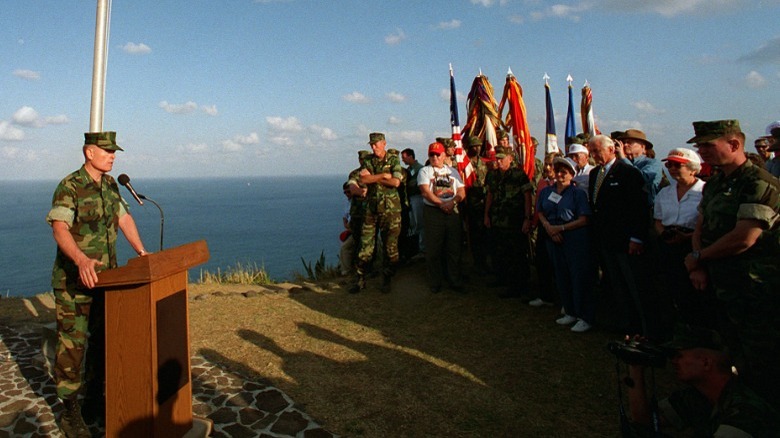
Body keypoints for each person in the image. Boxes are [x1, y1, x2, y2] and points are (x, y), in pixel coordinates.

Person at [46, 131, 148, 437]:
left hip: (108, 282)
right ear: (89, 153)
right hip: (74, 283)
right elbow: (60, 228)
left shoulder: (110, 185)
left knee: (104, 344)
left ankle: (93, 402)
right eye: (107, 151)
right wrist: (81, 260)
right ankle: (70, 412)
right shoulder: (70, 186)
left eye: (114, 152)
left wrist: (142, 252)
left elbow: (123, 218)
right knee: (72, 348)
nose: (113, 156)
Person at [683, 120, 780, 408]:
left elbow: (744, 237)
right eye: (699, 146)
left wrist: (699, 257)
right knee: (729, 353)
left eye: (708, 145)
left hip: (755, 290)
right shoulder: (716, 183)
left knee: (762, 360)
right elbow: (701, 225)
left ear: (734, 144)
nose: (702, 152)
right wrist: (698, 264)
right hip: (721, 284)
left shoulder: (760, 183)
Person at [625, 325, 778, 436]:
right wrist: (635, 368)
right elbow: (643, 420)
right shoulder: (698, 396)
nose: (673, 361)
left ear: (706, 362)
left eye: (679, 356)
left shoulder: (745, 410)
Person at [587, 135, 657, 337]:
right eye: (591, 151)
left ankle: (645, 330)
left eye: (597, 151)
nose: (594, 155)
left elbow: (638, 207)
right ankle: (626, 324)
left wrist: (636, 237)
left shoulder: (627, 172)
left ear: (611, 149)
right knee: (616, 284)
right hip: (605, 239)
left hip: (626, 240)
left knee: (635, 285)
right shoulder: (595, 173)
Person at [653, 148, 715, 330]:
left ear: (693, 169)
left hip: (693, 246)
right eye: (669, 164)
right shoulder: (665, 192)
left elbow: (707, 225)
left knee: (694, 292)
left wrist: (687, 237)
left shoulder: (705, 191)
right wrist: (663, 233)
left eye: (676, 165)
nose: (671, 168)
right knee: (669, 288)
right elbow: (658, 220)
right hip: (667, 244)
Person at [536, 157, 595, 332]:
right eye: (558, 171)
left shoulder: (578, 194)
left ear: (572, 174)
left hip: (573, 239)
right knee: (561, 276)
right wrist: (549, 228)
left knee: (578, 277)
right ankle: (569, 311)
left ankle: (584, 316)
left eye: (565, 172)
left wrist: (560, 228)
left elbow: (584, 219)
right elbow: (540, 212)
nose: (560, 175)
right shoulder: (547, 192)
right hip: (552, 238)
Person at [351, 133, 403, 294]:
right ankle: (360, 280)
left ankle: (386, 278)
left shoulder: (393, 160)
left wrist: (373, 178)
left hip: (391, 211)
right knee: (365, 247)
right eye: (371, 145)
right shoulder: (367, 160)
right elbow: (363, 180)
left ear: (384, 143)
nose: (373, 147)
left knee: (390, 249)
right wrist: (381, 176)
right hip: (371, 210)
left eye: (376, 144)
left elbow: (395, 182)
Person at [484, 146, 534, 299]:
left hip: (514, 221)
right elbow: (490, 195)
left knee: (517, 255)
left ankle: (519, 286)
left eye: (501, 158)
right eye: (497, 158)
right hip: (498, 220)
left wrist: (527, 218)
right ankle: (502, 279)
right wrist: (486, 215)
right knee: (499, 252)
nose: (498, 161)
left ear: (510, 159)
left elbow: (527, 196)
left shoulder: (519, 174)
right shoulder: (492, 175)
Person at [418, 142, 466, 293]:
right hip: (434, 213)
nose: (434, 157)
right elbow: (425, 192)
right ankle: (435, 281)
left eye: (437, 154)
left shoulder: (453, 171)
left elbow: (461, 191)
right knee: (434, 249)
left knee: (453, 248)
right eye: (431, 155)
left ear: (444, 155)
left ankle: (454, 280)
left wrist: (453, 202)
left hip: (452, 212)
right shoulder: (425, 171)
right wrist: (441, 204)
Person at [528, 152, 560, 308]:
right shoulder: (542, 183)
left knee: (559, 265)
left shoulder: (564, 183)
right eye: (546, 163)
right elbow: (538, 207)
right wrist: (534, 222)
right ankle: (545, 295)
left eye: (551, 164)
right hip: (542, 226)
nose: (548, 167)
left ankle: (562, 299)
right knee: (542, 262)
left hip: (558, 228)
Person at [463, 135, 491, 274]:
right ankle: (476, 262)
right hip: (470, 203)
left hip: (484, 202)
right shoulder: (464, 163)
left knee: (484, 235)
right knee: (474, 235)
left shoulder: (485, 163)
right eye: (474, 146)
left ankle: (484, 261)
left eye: (479, 145)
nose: (477, 148)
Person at [615, 129, 663, 207]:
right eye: (624, 143)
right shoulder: (619, 164)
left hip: (644, 208)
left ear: (643, 147)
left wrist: (623, 158)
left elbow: (641, 178)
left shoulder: (653, 163)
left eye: (629, 142)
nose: (625, 145)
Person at [401, 148, 424, 256]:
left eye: (404, 157)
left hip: (417, 197)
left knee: (419, 223)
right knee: (414, 224)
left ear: (410, 156)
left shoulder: (419, 169)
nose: (403, 160)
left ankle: (422, 248)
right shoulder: (410, 169)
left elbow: (413, 184)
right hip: (411, 198)